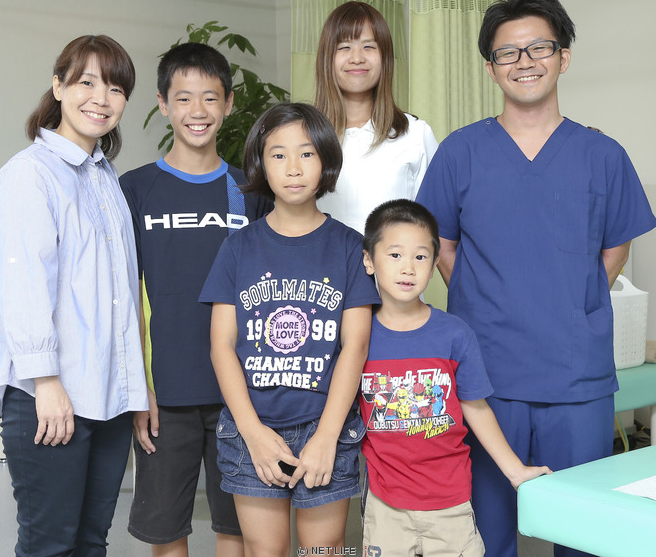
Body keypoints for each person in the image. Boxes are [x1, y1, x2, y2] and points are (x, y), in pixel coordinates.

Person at [416, 0, 656, 557]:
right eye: (508, 53)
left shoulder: (602, 155)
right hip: (486, 376)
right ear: (490, 67)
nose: (524, 62)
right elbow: (440, 245)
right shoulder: (460, 152)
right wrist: (483, 301)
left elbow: (615, 248)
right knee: (487, 531)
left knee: (580, 531)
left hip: (576, 377)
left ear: (563, 57)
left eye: (539, 48)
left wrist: (571, 304)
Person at [0, 34, 147, 556]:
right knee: (49, 545)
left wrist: (135, 392)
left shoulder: (105, 178)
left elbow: (122, 295)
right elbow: (25, 285)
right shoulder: (30, 175)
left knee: (92, 541)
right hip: (50, 393)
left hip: (108, 395)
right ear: (58, 86)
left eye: (116, 89)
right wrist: (47, 382)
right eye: (86, 83)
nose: (102, 99)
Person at [200, 103, 380, 556]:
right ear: (261, 164)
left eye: (306, 153)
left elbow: (355, 346)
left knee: (325, 548)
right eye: (278, 155)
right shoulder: (237, 248)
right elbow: (221, 346)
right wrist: (252, 433)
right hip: (252, 425)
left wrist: (327, 436)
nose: (293, 168)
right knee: (265, 549)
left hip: (326, 423)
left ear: (325, 161)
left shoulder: (350, 247)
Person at [119, 42, 270, 557]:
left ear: (229, 103)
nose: (197, 110)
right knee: (166, 530)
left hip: (241, 393)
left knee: (236, 527)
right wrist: (140, 389)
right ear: (163, 104)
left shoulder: (251, 191)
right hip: (166, 394)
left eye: (210, 97)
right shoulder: (136, 190)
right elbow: (127, 300)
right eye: (183, 98)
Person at [358, 199, 551, 557]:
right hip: (385, 504)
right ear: (369, 260)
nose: (408, 267)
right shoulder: (358, 334)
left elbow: (476, 407)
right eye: (395, 255)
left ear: (434, 264)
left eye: (420, 257)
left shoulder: (455, 334)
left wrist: (515, 471)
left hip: (451, 502)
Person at [313, 1, 438, 233]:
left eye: (369, 47)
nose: (357, 58)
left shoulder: (416, 134)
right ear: (326, 58)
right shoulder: (305, 135)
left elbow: (436, 224)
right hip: (321, 258)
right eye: (344, 47)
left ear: (385, 57)